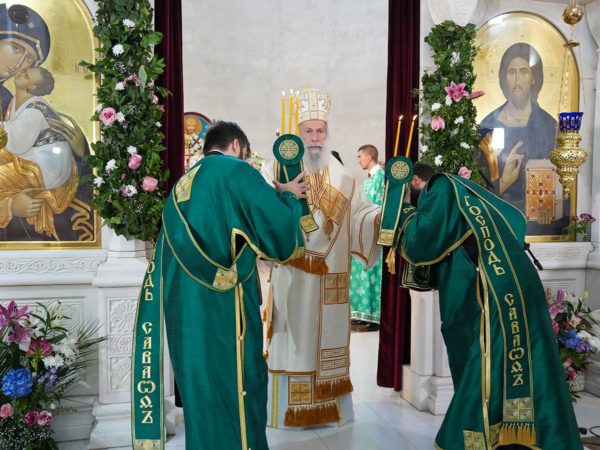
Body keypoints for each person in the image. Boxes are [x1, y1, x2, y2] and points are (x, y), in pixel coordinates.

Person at [132, 121, 308, 450]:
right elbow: (280, 236)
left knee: (201, 391)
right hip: (224, 309)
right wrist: (289, 197)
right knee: (238, 384)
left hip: (185, 311)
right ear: (237, 146)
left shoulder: (183, 183)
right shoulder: (236, 171)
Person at [395, 163, 583, 449]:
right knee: (531, 361)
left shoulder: (440, 186)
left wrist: (405, 212)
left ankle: (475, 440)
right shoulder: (469, 194)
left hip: (492, 294)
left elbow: (421, 241)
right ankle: (532, 437)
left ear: (417, 181)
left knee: (481, 363)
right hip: (517, 285)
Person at [263, 88, 381, 428]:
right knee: (293, 339)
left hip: (330, 278)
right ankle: (287, 412)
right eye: (308, 131)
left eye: (320, 131)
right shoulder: (276, 168)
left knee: (326, 339)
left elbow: (361, 213)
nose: (315, 138)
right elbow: (261, 208)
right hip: (293, 274)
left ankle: (330, 410)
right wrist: (282, 191)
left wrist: (382, 218)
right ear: (297, 134)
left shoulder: (342, 175)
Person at [0, 3, 92, 242]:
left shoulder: (12, 101)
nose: (20, 63)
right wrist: (8, 204)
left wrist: (81, 151)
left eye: (29, 59)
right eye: (16, 48)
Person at [480, 42, 566, 236]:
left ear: (534, 78)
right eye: (512, 72)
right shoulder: (489, 126)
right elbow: (477, 182)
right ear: (504, 78)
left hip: (539, 222)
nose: (517, 80)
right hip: (498, 218)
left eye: (524, 72)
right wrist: (504, 181)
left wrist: (552, 204)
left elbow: (563, 177)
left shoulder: (550, 126)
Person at [0, 67, 77, 239]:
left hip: (45, 169)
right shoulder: (18, 102)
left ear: (32, 87)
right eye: (24, 71)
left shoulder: (35, 109)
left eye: (26, 76)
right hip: (31, 157)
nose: (21, 73)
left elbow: (16, 143)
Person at [349, 145, 384, 329]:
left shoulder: (381, 178)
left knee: (371, 274)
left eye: (360, 156)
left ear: (369, 156)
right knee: (360, 273)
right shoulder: (367, 180)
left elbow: (379, 205)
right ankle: (361, 313)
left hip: (373, 236)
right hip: (361, 234)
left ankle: (373, 316)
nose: (358, 160)